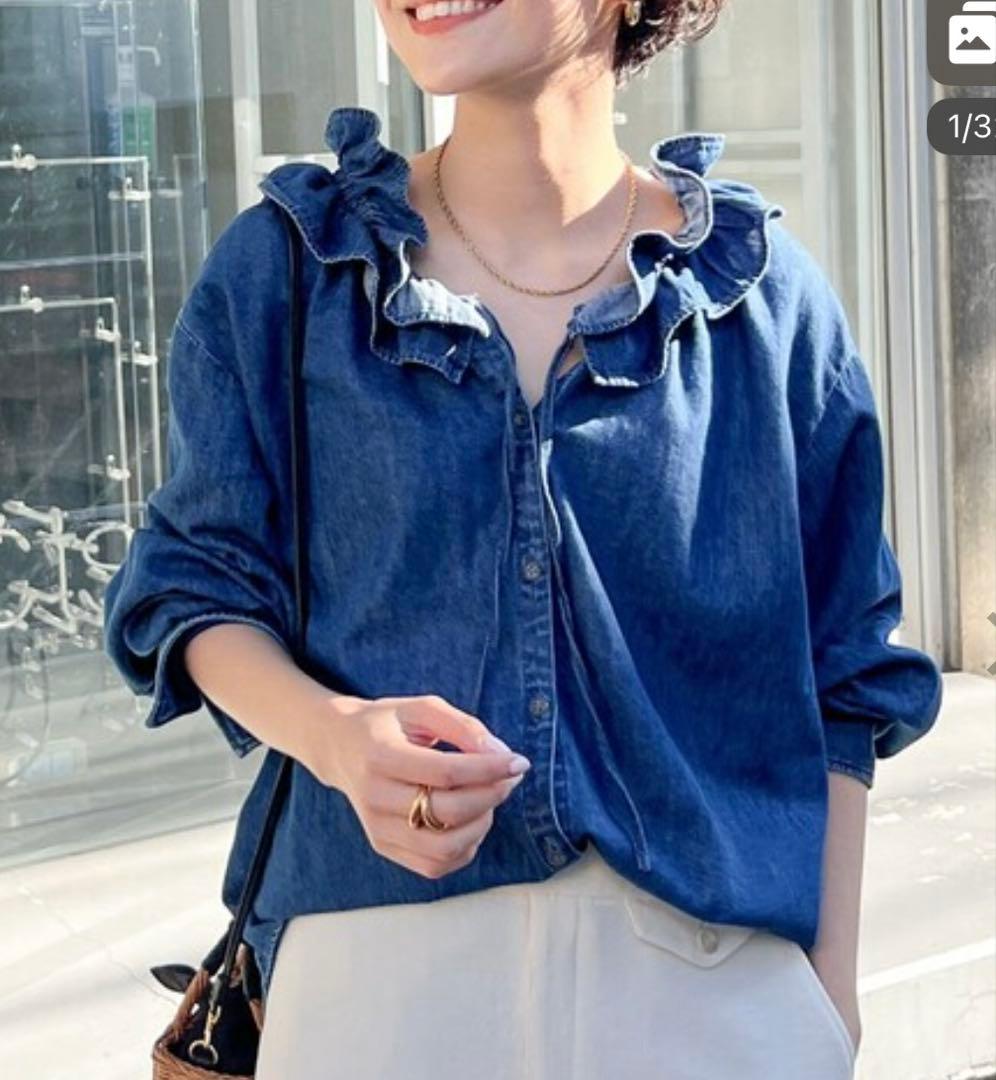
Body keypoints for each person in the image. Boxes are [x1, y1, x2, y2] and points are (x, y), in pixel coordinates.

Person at [102, 1, 944, 1077]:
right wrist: (334, 737)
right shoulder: (294, 270)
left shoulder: (760, 301)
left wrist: (830, 994)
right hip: (374, 998)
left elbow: (846, 670)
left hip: (716, 1000)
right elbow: (195, 586)